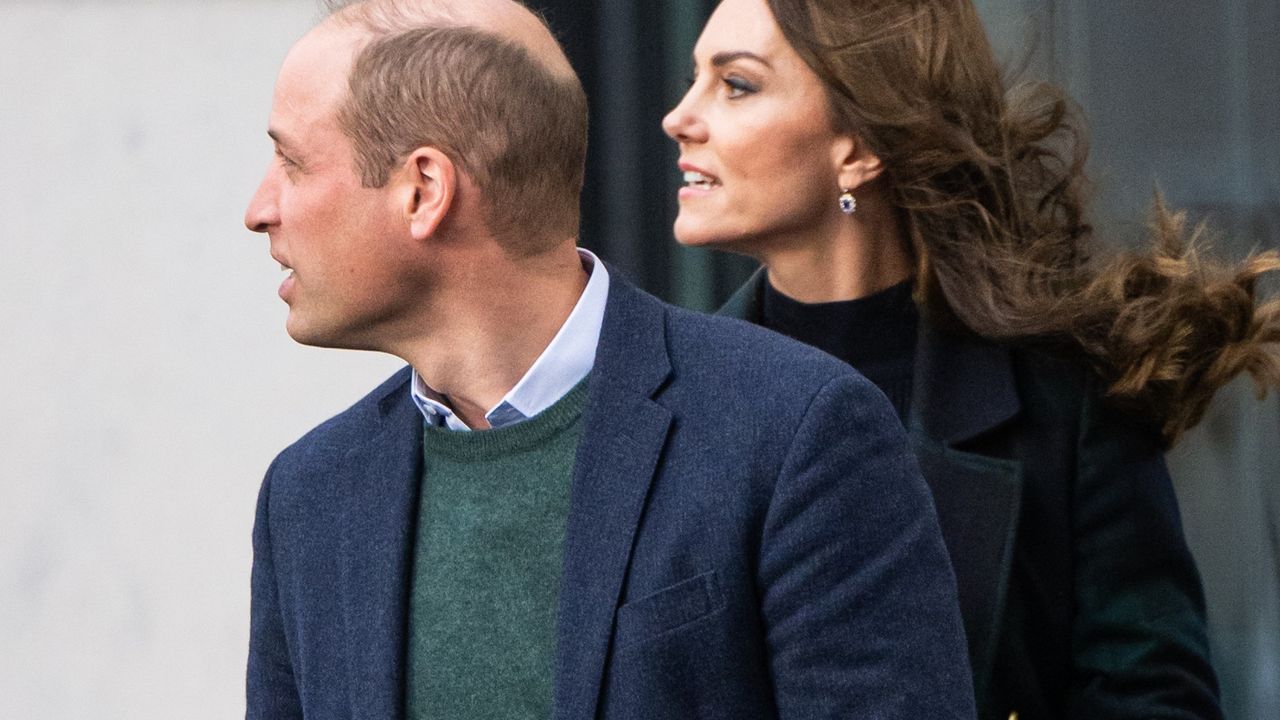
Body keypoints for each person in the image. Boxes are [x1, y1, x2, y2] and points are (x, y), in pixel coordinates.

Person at [242, 0, 976, 718]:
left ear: (424, 190)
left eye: (292, 162)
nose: (259, 208)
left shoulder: (795, 432)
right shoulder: (307, 495)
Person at [662, 0, 1280, 718]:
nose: (680, 115)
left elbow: (1153, 702)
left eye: (736, 84)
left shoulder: (1063, 403)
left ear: (859, 146)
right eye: (693, 77)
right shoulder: (659, 410)